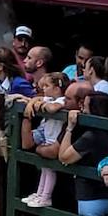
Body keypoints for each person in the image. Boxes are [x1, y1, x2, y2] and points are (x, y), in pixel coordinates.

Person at [21, 72, 72, 208]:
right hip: (48, 137)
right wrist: (36, 102)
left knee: (49, 169)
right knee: (44, 168)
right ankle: (39, 193)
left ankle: (46, 196)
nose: (44, 89)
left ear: (57, 88)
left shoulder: (61, 100)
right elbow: (36, 99)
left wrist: (43, 105)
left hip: (54, 138)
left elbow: (53, 108)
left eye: (47, 86)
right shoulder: (49, 98)